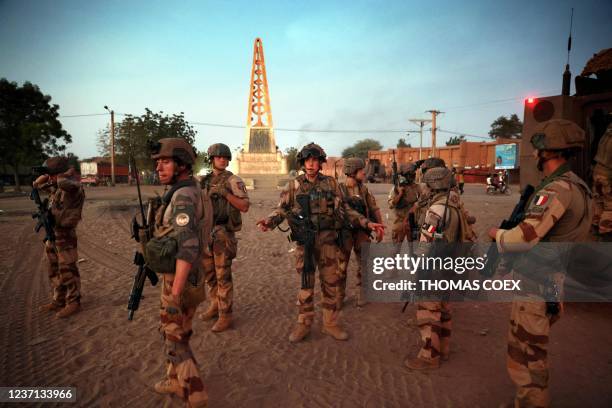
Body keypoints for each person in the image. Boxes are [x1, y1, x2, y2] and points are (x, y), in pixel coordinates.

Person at [487, 119, 592, 407]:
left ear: (547, 151)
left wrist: (497, 235)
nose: (534, 154)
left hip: (536, 287)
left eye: (538, 149)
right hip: (552, 281)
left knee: (527, 360)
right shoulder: (579, 186)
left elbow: (524, 238)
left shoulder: (557, 189)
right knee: (531, 353)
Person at [256, 143, 384, 343]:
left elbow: (346, 210)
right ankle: (304, 323)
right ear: (302, 162)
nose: (311, 164)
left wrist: (367, 223)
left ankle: (330, 323)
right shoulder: (294, 185)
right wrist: (269, 221)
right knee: (306, 285)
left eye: (315, 160)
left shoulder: (331, 184)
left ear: (321, 163)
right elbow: (281, 209)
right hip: (304, 243)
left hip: (327, 242)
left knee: (330, 283)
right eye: (308, 160)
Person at [148, 138, 208, 407]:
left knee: (175, 337)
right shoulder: (193, 189)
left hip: (180, 277)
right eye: (158, 162)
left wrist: (174, 293)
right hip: (192, 276)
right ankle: (174, 378)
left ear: (182, 164)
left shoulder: (183, 197)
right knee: (179, 331)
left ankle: (196, 395)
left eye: (166, 161)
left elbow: (188, 246)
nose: (159, 166)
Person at [405, 166, 472, 370]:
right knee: (444, 309)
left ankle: (429, 356)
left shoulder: (436, 210)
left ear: (432, 186)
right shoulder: (454, 204)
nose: (423, 188)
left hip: (433, 268)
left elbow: (425, 243)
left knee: (428, 311)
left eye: (426, 184)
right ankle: (443, 348)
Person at [198, 143, 250, 332]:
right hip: (205, 234)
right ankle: (215, 304)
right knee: (209, 274)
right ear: (211, 159)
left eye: (225, 157)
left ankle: (225, 315)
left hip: (223, 234)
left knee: (223, 277)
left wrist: (225, 194)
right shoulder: (202, 181)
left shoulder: (234, 181)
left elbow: (244, 206)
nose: (222, 160)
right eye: (218, 157)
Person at [34, 157, 85, 319]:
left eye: (52, 174)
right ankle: (59, 299)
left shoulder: (74, 187)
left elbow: (64, 182)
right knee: (53, 269)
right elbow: (38, 186)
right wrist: (41, 180)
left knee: (68, 269)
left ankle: (73, 301)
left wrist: (63, 174)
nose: (50, 178)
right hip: (53, 234)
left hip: (66, 235)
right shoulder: (57, 188)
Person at [338, 157, 383, 307]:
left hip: (362, 232)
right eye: (361, 170)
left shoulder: (363, 189)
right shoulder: (339, 190)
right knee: (340, 267)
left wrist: (380, 226)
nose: (364, 172)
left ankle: (362, 294)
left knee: (364, 264)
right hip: (344, 233)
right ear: (352, 172)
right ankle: (339, 296)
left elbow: (374, 207)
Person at [388, 163, 422, 243]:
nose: (413, 176)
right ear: (405, 175)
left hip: (413, 221)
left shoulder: (417, 187)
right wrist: (400, 194)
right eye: (410, 174)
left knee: (413, 249)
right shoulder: (397, 188)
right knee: (395, 250)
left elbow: (421, 202)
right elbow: (391, 205)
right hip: (399, 221)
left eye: (413, 173)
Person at [592, 123, 612, 239]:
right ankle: (606, 235)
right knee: (609, 207)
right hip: (607, 175)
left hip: (598, 172)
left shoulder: (608, 131)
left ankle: (597, 230)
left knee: (599, 203)